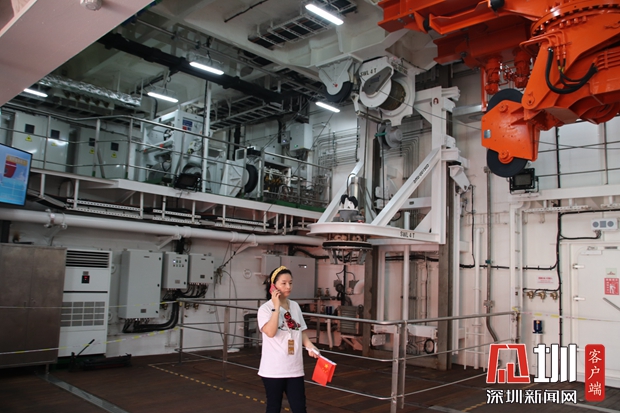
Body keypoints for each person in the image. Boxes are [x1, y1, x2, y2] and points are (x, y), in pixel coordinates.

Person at [258, 265, 320, 413]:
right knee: (274, 407)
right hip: (274, 370)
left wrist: (310, 346)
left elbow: (300, 331)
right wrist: (276, 307)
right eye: (284, 283)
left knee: (299, 408)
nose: (288, 287)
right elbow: (270, 332)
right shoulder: (265, 309)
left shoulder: (295, 306)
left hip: (294, 368)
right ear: (273, 286)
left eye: (290, 283)